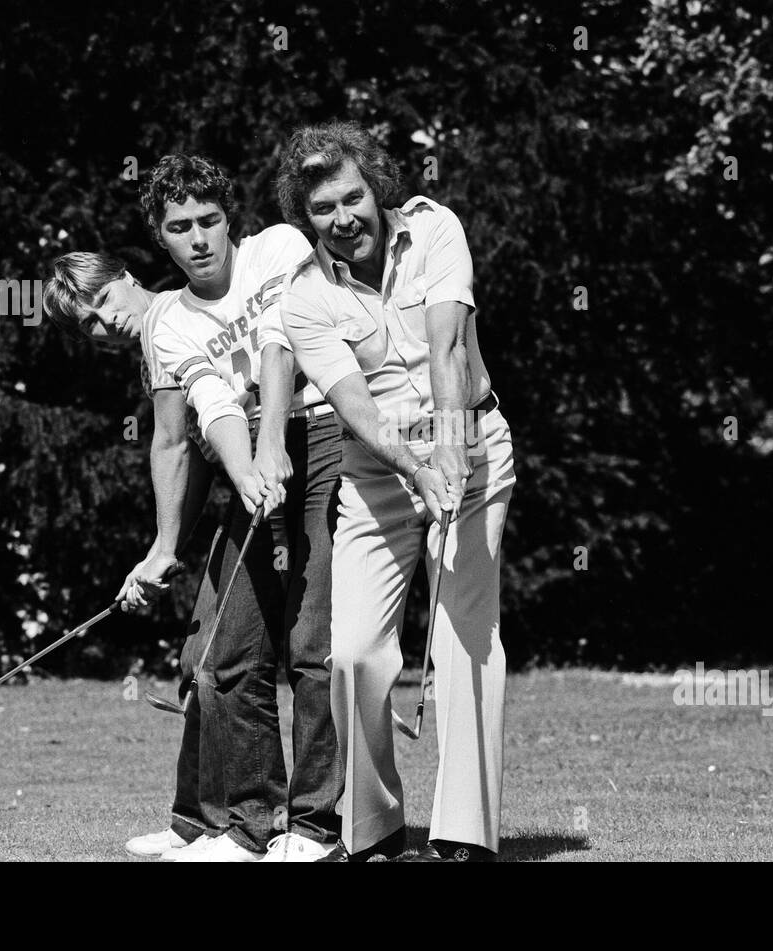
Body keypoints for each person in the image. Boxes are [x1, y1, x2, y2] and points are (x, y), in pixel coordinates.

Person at [276, 120, 517, 862]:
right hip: (378, 471)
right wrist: (417, 469)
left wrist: (450, 453)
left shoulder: (433, 228)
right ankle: (374, 830)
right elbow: (356, 409)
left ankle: (465, 838)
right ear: (304, 216)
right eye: (323, 209)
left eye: (352, 197)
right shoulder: (304, 299)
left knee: (464, 641)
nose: (344, 218)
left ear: (374, 186)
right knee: (351, 651)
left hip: (472, 445)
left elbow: (447, 344)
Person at [137, 153, 343, 862]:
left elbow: (281, 343)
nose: (197, 238)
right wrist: (248, 462)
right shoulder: (170, 321)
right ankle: (253, 826)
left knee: (314, 645)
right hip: (256, 454)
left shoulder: (279, 248)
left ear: (232, 219)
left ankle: (316, 828)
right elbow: (213, 403)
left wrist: (271, 439)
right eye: (178, 227)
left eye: (208, 220)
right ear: (160, 237)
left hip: (322, 434)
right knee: (229, 652)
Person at [42, 250, 224, 858]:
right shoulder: (154, 347)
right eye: (89, 321)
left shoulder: (170, 319)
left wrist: (164, 547)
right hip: (251, 493)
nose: (104, 319)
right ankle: (197, 823)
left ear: (128, 279)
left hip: (294, 473)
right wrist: (163, 549)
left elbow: (172, 444)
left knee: (239, 657)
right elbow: (196, 456)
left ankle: (271, 826)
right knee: (204, 656)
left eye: (103, 299)